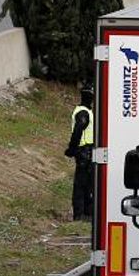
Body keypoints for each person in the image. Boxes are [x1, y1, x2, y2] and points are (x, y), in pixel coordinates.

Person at [64, 89, 94, 223]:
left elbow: (79, 131)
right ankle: (83, 214)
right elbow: (78, 130)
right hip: (86, 152)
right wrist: (72, 148)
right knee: (85, 185)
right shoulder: (85, 113)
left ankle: (83, 214)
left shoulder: (86, 112)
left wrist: (72, 149)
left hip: (85, 152)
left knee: (84, 185)